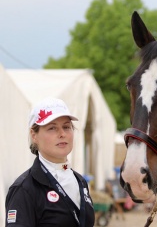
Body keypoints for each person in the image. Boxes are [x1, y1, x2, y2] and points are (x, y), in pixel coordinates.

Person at [5, 97, 95, 227]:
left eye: (66, 127)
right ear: (34, 135)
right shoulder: (25, 189)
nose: (62, 134)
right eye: (52, 128)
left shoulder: (80, 181)